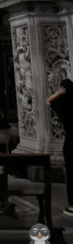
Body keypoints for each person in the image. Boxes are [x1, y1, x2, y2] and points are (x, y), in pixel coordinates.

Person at [47, 78, 73, 216]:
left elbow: (48, 101)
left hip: (70, 141)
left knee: (71, 172)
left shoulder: (62, 103)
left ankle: (72, 204)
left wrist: (59, 92)